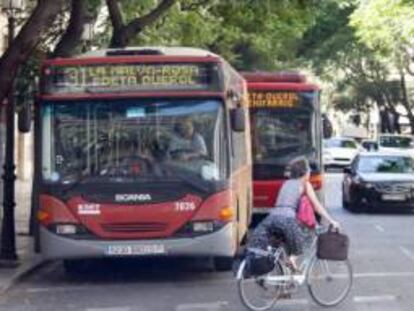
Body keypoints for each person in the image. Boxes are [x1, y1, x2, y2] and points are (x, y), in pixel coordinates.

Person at [247, 157, 340, 271]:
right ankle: (293, 259)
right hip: (287, 219)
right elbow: (316, 205)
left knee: (285, 239)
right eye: (309, 170)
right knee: (308, 236)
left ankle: (285, 271)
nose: (310, 172)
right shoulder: (305, 184)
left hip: (272, 218)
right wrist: (331, 221)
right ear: (304, 172)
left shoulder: (286, 183)